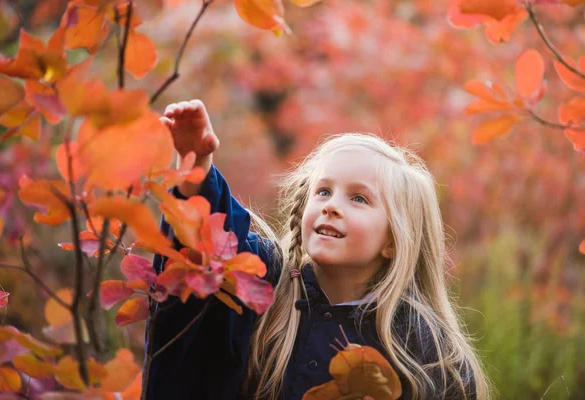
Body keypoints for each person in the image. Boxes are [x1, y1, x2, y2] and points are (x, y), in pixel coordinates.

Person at [145, 99, 490, 400]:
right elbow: (217, 247)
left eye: (358, 198)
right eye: (323, 191)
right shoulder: (266, 287)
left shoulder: (424, 350)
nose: (331, 206)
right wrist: (196, 174)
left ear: (393, 241)